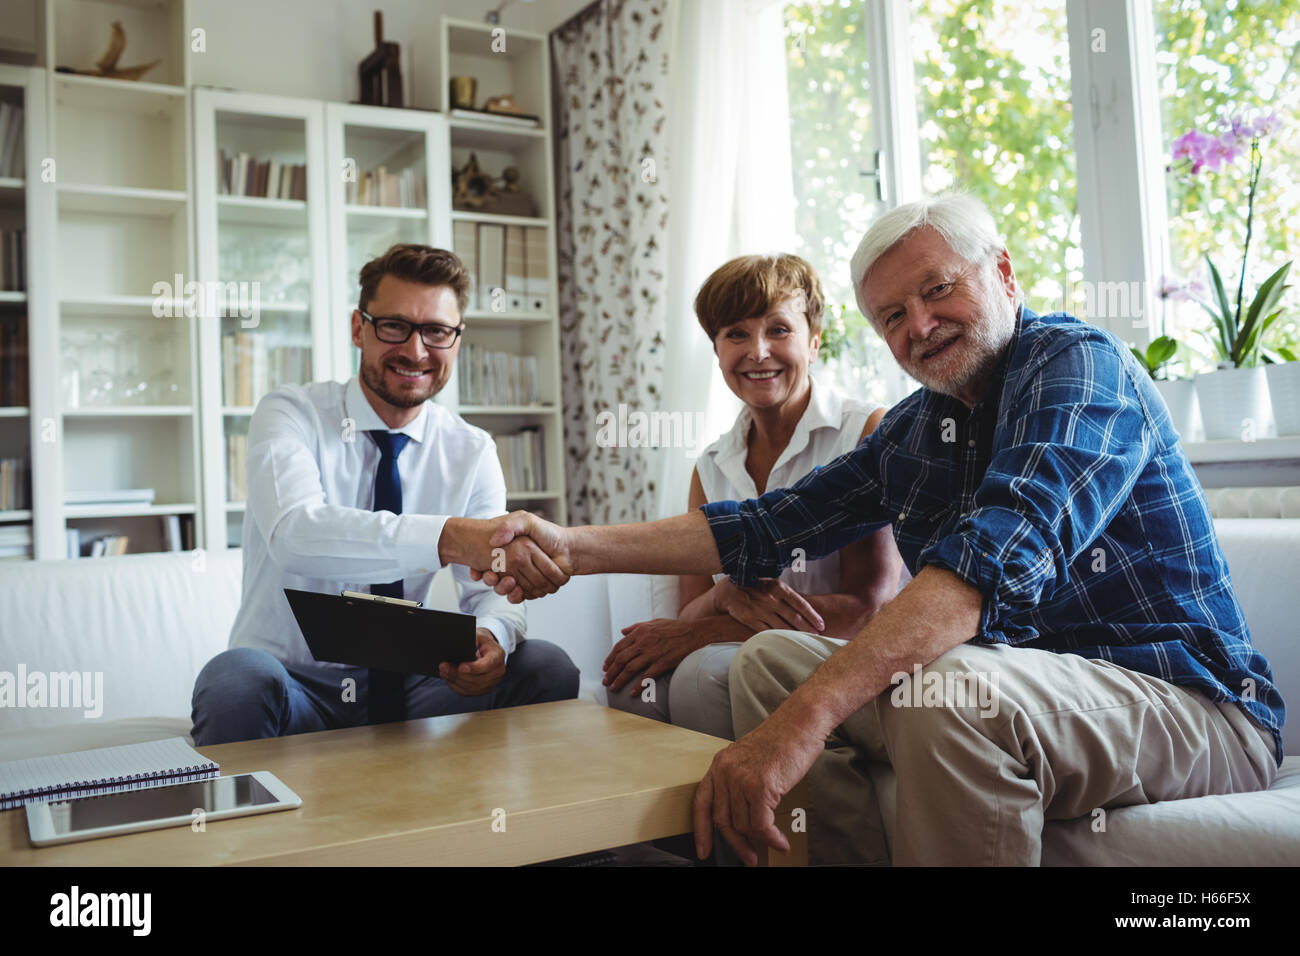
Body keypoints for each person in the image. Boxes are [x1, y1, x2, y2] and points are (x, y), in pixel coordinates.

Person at [443, 194, 1284, 866]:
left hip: (1188, 703)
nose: (918, 326)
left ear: (1003, 274)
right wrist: (571, 545)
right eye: (891, 315)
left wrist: (797, 727)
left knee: (951, 694)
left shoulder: (1075, 366)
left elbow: (982, 569)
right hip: (1039, 691)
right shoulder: (919, 428)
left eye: (938, 290)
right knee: (771, 660)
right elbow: (766, 525)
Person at [191, 244, 579, 745]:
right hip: (294, 684)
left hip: (418, 685)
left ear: (457, 340)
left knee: (544, 665)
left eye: (437, 332)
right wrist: (451, 536)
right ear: (359, 328)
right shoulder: (291, 413)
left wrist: (492, 636)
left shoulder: (471, 449)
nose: (416, 351)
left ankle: (494, 819)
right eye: (394, 326)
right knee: (235, 678)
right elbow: (295, 535)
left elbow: (491, 591)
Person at [604, 254, 902, 739]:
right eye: (736, 334)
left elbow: (867, 606)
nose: (758, 351)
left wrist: (709, 631)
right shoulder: (711, 463)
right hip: (747, 649)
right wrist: (724, 594)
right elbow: (691, 607)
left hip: (844, 649)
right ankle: (684, 817)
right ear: (717, 350)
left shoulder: (866, 430)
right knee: (630, 687)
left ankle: (743, 813)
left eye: (779, 330)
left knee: (702, 678)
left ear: (814, 340)